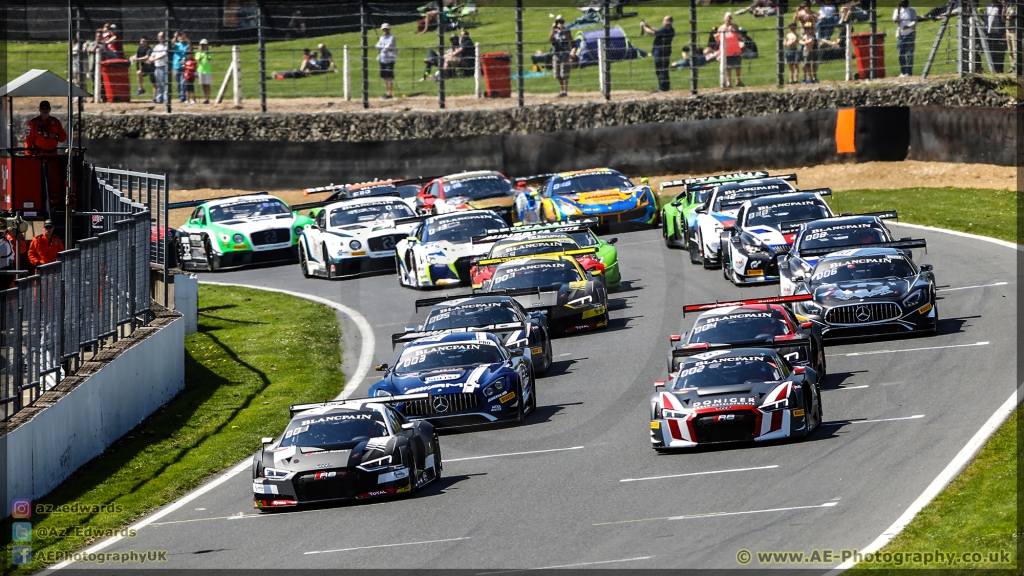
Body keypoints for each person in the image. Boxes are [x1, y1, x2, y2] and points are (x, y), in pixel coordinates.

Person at [641, 15, 675, 92]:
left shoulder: (667, 29)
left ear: (668, 22)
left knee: (660, 69)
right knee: (663, 69)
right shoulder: (668, 29)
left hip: (661, 52)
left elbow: (652, 33)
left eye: (664, 20)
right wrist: (647, 25)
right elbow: (657, 31)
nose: (663, 22)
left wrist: (644, 27)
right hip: (663, 51)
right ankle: (665, 87)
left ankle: (662, 88)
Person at [550, 15, 573, 97]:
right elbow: (550, 39)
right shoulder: (554, 30)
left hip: (565, 54)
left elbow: (570, 39)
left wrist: (563, 31)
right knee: (557, 74)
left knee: (564, 73)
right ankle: (561, 90)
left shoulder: (566, 29)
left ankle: (565, 91)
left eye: (561, 22)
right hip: (556, 53)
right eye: (558, 22)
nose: (559, 23)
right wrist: (553, 29)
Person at [893, 0, 918, 77]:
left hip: (910, 34)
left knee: (910, 54)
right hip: (901, 35)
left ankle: (908, 72)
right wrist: (898, 12)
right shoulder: (897, 10)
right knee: (901, 54)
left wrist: (909, 26)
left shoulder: (912, 10)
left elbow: (915, 20)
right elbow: (894, 20)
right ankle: (903, 72)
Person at [375, 23, 397, 99]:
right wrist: (381, 47)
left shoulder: (392, 37)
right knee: (384, 76)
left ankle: (389, 93)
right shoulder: (381, 38)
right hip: (383, 59)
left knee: (389, 76)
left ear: (389, 29)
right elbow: (377, 46)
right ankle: (387, 92)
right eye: (383, 29)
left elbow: (388, 46)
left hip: (390, 59)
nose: (385, 30)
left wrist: (381, 47)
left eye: (386, 29)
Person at [985, 0, 1006, 73]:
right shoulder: (988, 6)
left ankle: (999, 69)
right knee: (991, 51)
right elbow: (986, 20)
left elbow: (1003, 21)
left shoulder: (1001, 7)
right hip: (990, 33)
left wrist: (1004, 32)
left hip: (999, 33)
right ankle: (992, 69)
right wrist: (986, 33)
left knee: (1000, 52)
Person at [148, 31, 169, 104]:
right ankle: (159, 99)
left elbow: (163, 55)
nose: (161, 38)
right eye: (160, 36)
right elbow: (152, 55)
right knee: (159, 84)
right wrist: (150, 59)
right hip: (157, 67)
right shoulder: (157, 47)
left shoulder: (166, 46)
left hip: (164, 67)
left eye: (162, 36)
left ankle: (166, 100)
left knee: (165, 84)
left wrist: (153, 59)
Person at [172, 31, 190, 103]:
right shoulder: (176, 44)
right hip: (176, 65)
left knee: (183, 82)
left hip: (184, 66)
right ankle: (180, 96)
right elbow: (171, 43)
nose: (181, 38)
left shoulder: (186, 45)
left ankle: (183, 97)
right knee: (178, 83)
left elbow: (190, 45)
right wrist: (175, 37)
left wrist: (186, 38)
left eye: (182, 36)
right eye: (180, 37)